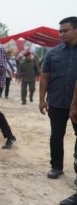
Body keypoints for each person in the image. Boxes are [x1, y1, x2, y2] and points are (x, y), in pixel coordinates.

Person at [39, 16, 77, 185]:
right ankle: (56, 166)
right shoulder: (53, 53)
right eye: (59, 31)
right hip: (56, 102)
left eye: (65, 30)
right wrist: (41, 99)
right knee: (56, 135)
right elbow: (45, 77)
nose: (61, 34)